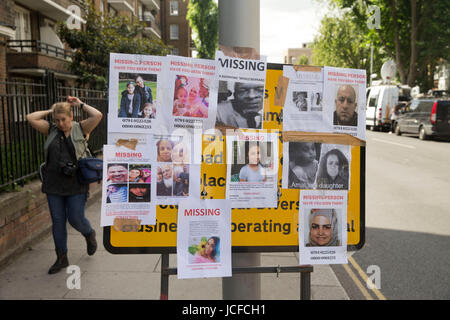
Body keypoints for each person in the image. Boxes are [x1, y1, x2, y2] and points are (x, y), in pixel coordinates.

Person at [26, 96, 103, 274]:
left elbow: (97, 115)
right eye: (57, 119)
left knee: (75, 218)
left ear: (71, 117)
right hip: (53, 182)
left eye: (64, 119)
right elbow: (31, 118)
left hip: (76, 182)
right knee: (58, 221)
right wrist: (50, 110)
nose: (60, 123)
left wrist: (80, 104)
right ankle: (61, 257)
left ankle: (89, 233)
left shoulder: (81, 128)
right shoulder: (50, 129)